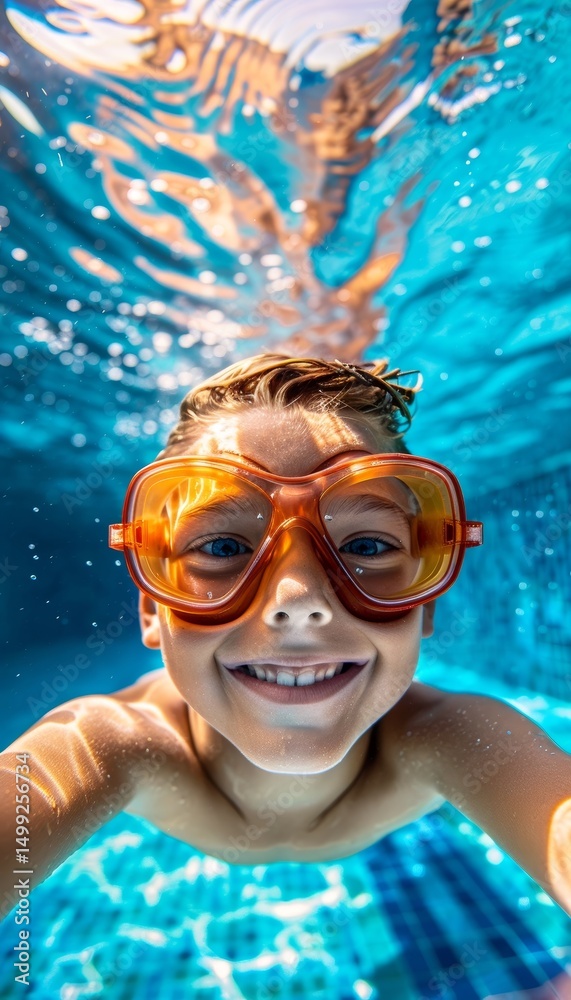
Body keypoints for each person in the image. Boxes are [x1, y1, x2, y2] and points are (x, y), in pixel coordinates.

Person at [1, 354, 570, 921]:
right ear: (153, 608)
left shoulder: (455, 738)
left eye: (367, 547)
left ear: (423, 606)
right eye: (223, 547)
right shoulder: (111, 744)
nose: (298, 604)